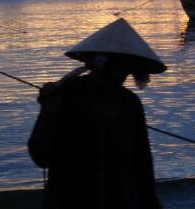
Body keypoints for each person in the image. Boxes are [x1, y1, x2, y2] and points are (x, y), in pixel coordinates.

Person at [28, 18, 166, 209]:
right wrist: (49, 106)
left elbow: (142, 164)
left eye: (127, 68)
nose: (123, 74)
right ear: (100, 63)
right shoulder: (66, 95)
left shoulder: (129, 103)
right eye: (119, 66)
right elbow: (41, 154)